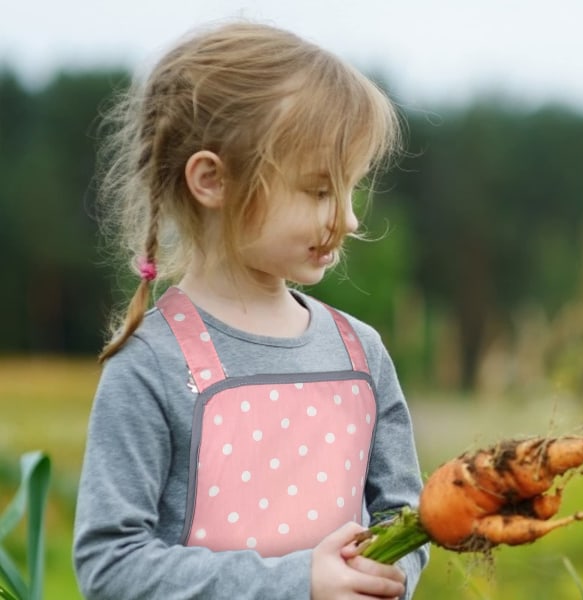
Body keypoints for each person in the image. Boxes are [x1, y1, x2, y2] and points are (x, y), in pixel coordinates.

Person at [73, 20, 428, 600]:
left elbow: (406, 518)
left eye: (350, 189)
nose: (349, 218)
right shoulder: (151, 365)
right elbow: (110, 567)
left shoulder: (361, 352)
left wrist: (384, 581)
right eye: (319, 191)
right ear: (212, 180)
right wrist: (298, 583)